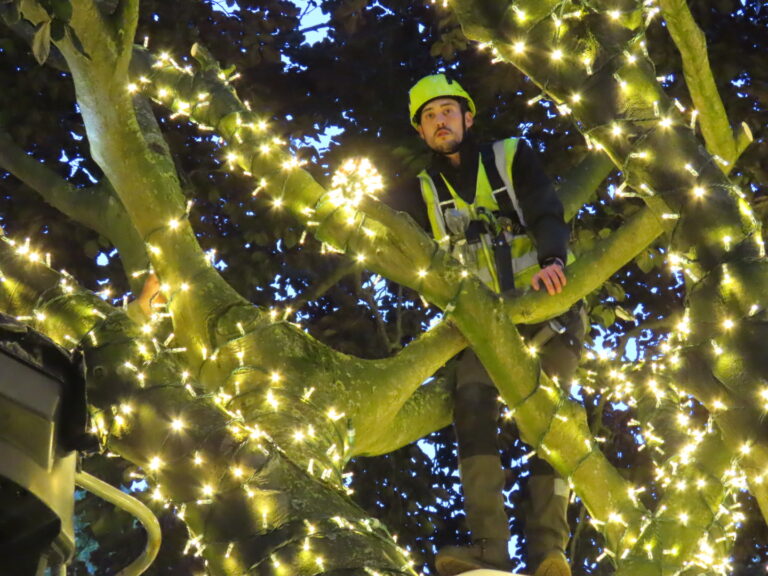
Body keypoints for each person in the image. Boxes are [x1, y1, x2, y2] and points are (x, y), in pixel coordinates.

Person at [404, 74, 587, 576]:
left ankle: (550, 550)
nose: (440, 122)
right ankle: (490, 547)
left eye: (446, 111)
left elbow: (547, 208)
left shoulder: (509, 157)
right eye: (429, 117)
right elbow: (422, 261)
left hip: (547, 310)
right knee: (471, 406)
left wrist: (552, 258)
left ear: (466, 116)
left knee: (552, 422)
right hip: (484, 327)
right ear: (421, 132)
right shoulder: (422, 190)